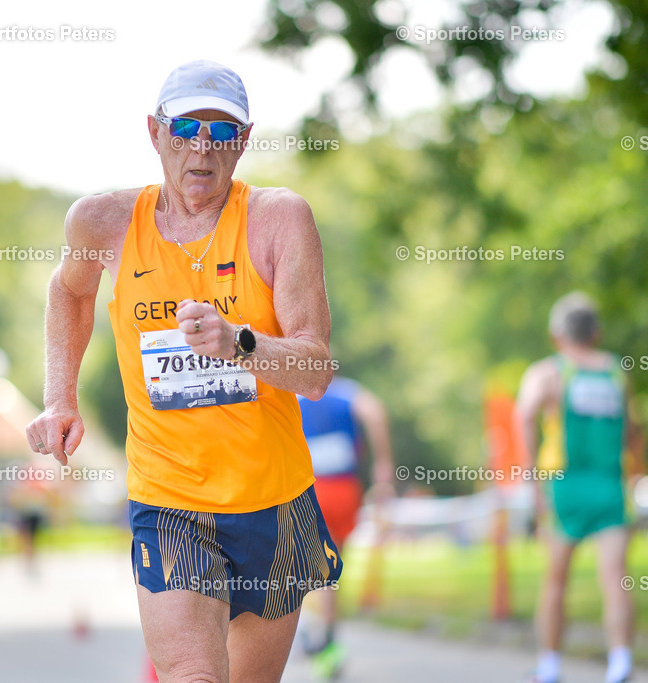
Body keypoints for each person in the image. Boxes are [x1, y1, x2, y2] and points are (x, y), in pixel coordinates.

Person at [25, 59, 342, 683]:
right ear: (154, 131)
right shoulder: (105, 223)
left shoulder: (278, 220)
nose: (202, 148)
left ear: (244, 141)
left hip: (272, 499)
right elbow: (70, 292)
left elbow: (316, 369)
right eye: (186, 128)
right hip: (168, 500)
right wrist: (59, 399)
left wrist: (238, 343)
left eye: (221, 132)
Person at [515, 292, 642, 683]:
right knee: (615, 577)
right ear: (597, 332)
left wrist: (531, 479)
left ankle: (550, 667)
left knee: (555, 581)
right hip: (609, 484)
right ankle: (620, 662)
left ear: (557, 334)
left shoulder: (549, 372)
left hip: (563, 487)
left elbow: (524, 414)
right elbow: (634, 429)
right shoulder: (616, 372)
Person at [296, 376, 395, 679]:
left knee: (308, 567)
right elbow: (375, 411)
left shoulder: (295, 395)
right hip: (345, 487)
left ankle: (322, 636)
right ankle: (325, 634)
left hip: (310, 488)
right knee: (333, 565)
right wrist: (383, 464)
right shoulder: (345, 392)